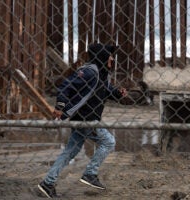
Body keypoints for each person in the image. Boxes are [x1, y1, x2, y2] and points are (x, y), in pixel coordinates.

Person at [38, 43, 127, 198]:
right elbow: (66, 85)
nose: (112, 58)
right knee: (108, 142)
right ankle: (90, 174)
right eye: (110, 55)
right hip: (86, 118)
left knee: (70, 151)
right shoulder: (89, 72)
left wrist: (118, 93)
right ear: (102, 56)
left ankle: (47, 183)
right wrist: (60, 105)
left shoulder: (102, 74)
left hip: (87, 118)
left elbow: (106, 91)